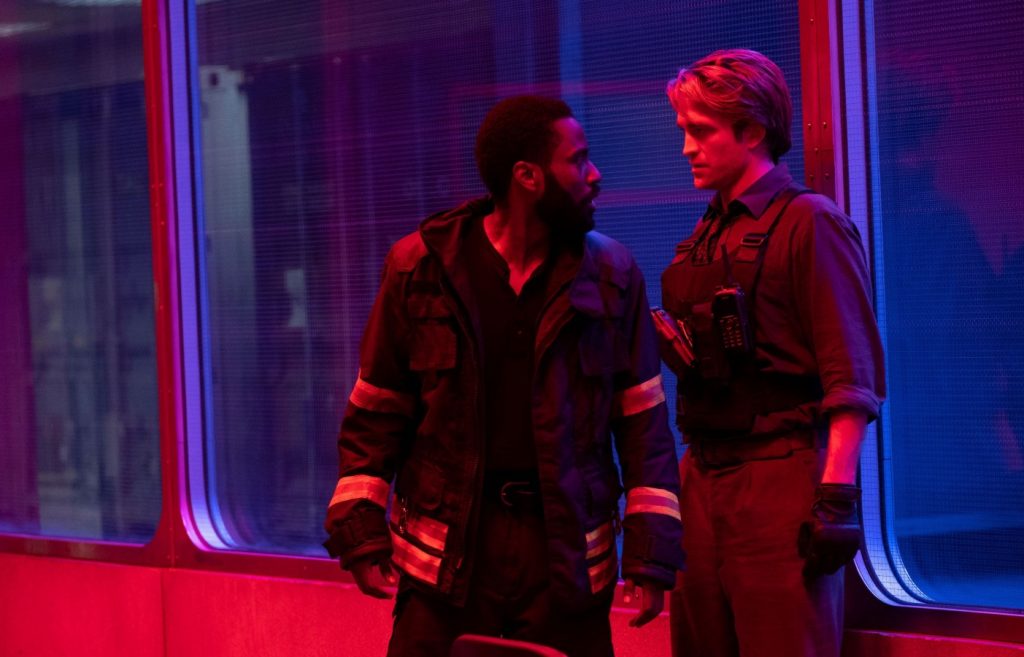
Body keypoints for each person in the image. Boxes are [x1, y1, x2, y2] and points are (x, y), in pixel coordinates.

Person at [323, 95, 684, 657]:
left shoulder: (612, 275)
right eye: (578, 160)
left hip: (563, 559)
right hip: (446, 561)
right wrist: (360, 532)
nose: (595, 175)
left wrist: (651, 555)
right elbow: (377, 410)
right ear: (527, 176)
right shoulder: (420, 268)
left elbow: (643, 427)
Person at [659, 50, 885, 657]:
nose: (687, 148)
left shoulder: (810, 223)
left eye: (700, 130)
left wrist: (836, 495)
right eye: (684, 131)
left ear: (752, 130)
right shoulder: (703, 236)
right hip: (702, 474)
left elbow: (851, 374)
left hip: (778, 476)